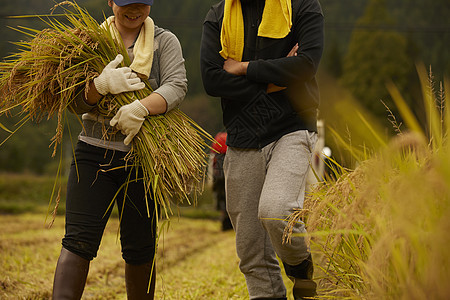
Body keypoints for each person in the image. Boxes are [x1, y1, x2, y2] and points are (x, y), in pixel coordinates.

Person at [51, 0, 187, 299]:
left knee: (140, 248)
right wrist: (99, 85)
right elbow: (74, 102)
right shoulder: (89, 43)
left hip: (143, 159)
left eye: (142, 4)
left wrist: (141, 107)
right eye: (126, 3)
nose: (134, 10)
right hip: (92, 156)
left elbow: (176, 86)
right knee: (78, 242)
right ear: (112, 2)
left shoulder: (165, 41)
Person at [200, 0, 324, 299]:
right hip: (242, 134)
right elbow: (212, 78)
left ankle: (300, 268)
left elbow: (305, 65)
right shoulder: (218, 15)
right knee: (250, 250)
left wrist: (244, 68)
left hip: (292, 127)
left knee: (276, 210)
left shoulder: (302, 6)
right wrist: (275, 80)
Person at [211, 131, 233, 231]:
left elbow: (213, 162)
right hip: (229, 176)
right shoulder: (229, 139)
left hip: (220, 177)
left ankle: (225, 222)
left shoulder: (219, 139)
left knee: (222, 198)